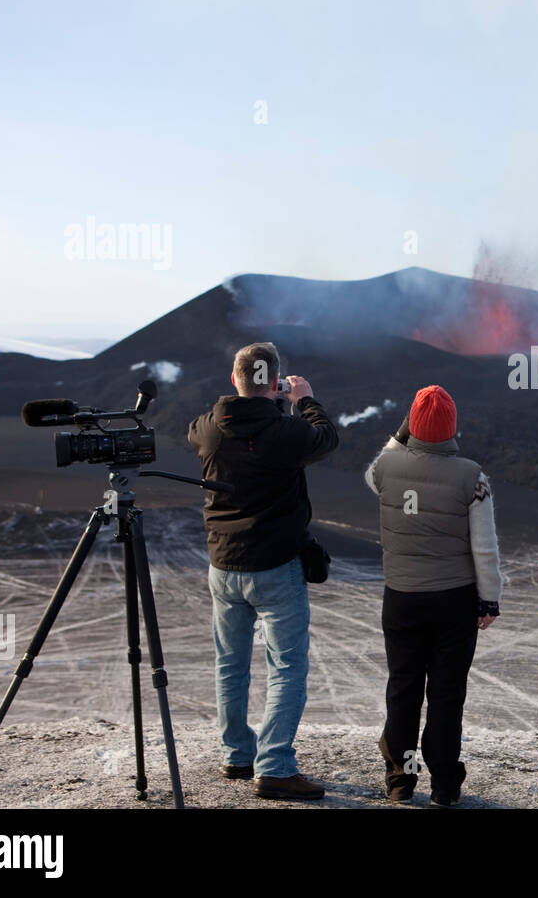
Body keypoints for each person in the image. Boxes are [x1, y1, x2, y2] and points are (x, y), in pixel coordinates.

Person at [188, 341, 339, 800]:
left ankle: (237, 754)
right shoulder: (287, 431)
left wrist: (252, 400)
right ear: (275, 383)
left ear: (235, 380)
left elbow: (199, 428)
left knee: (230, 663)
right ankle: (273, 766)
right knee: (287, 665)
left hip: (223, 565)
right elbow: (327, 437)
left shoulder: (209, 428)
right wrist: (303, 399)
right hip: (274, 566)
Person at [365, 384, 504, 807]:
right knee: (447, 693)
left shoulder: (385, 469)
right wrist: (489, 598)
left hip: (402, 598)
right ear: (451, 428)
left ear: (412, 426)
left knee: (403, 690)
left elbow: (371, 474)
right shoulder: (472, 476)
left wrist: (400, 434)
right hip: (454, 602)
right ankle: (445, 785)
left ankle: (400, 781)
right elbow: (484, 546)